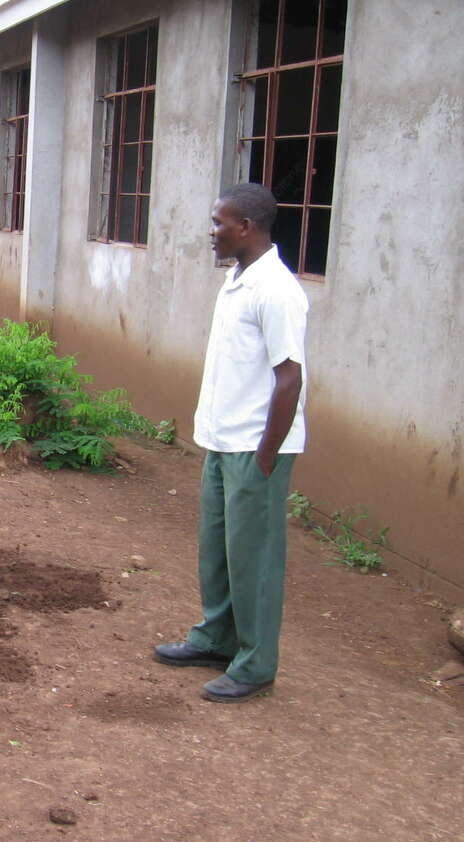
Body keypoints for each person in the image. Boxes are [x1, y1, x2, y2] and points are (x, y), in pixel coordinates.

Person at [154, 183, 308, 703]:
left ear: (246, 227)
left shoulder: (277, 290)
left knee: (254, 560)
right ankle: (216, 638)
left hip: (255, 447)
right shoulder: (238, 279)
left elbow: (289, 378)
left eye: (220, 222)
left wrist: (265, 457)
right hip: (224, 440)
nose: (212, 231)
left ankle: (255, 664)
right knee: (219, 552)